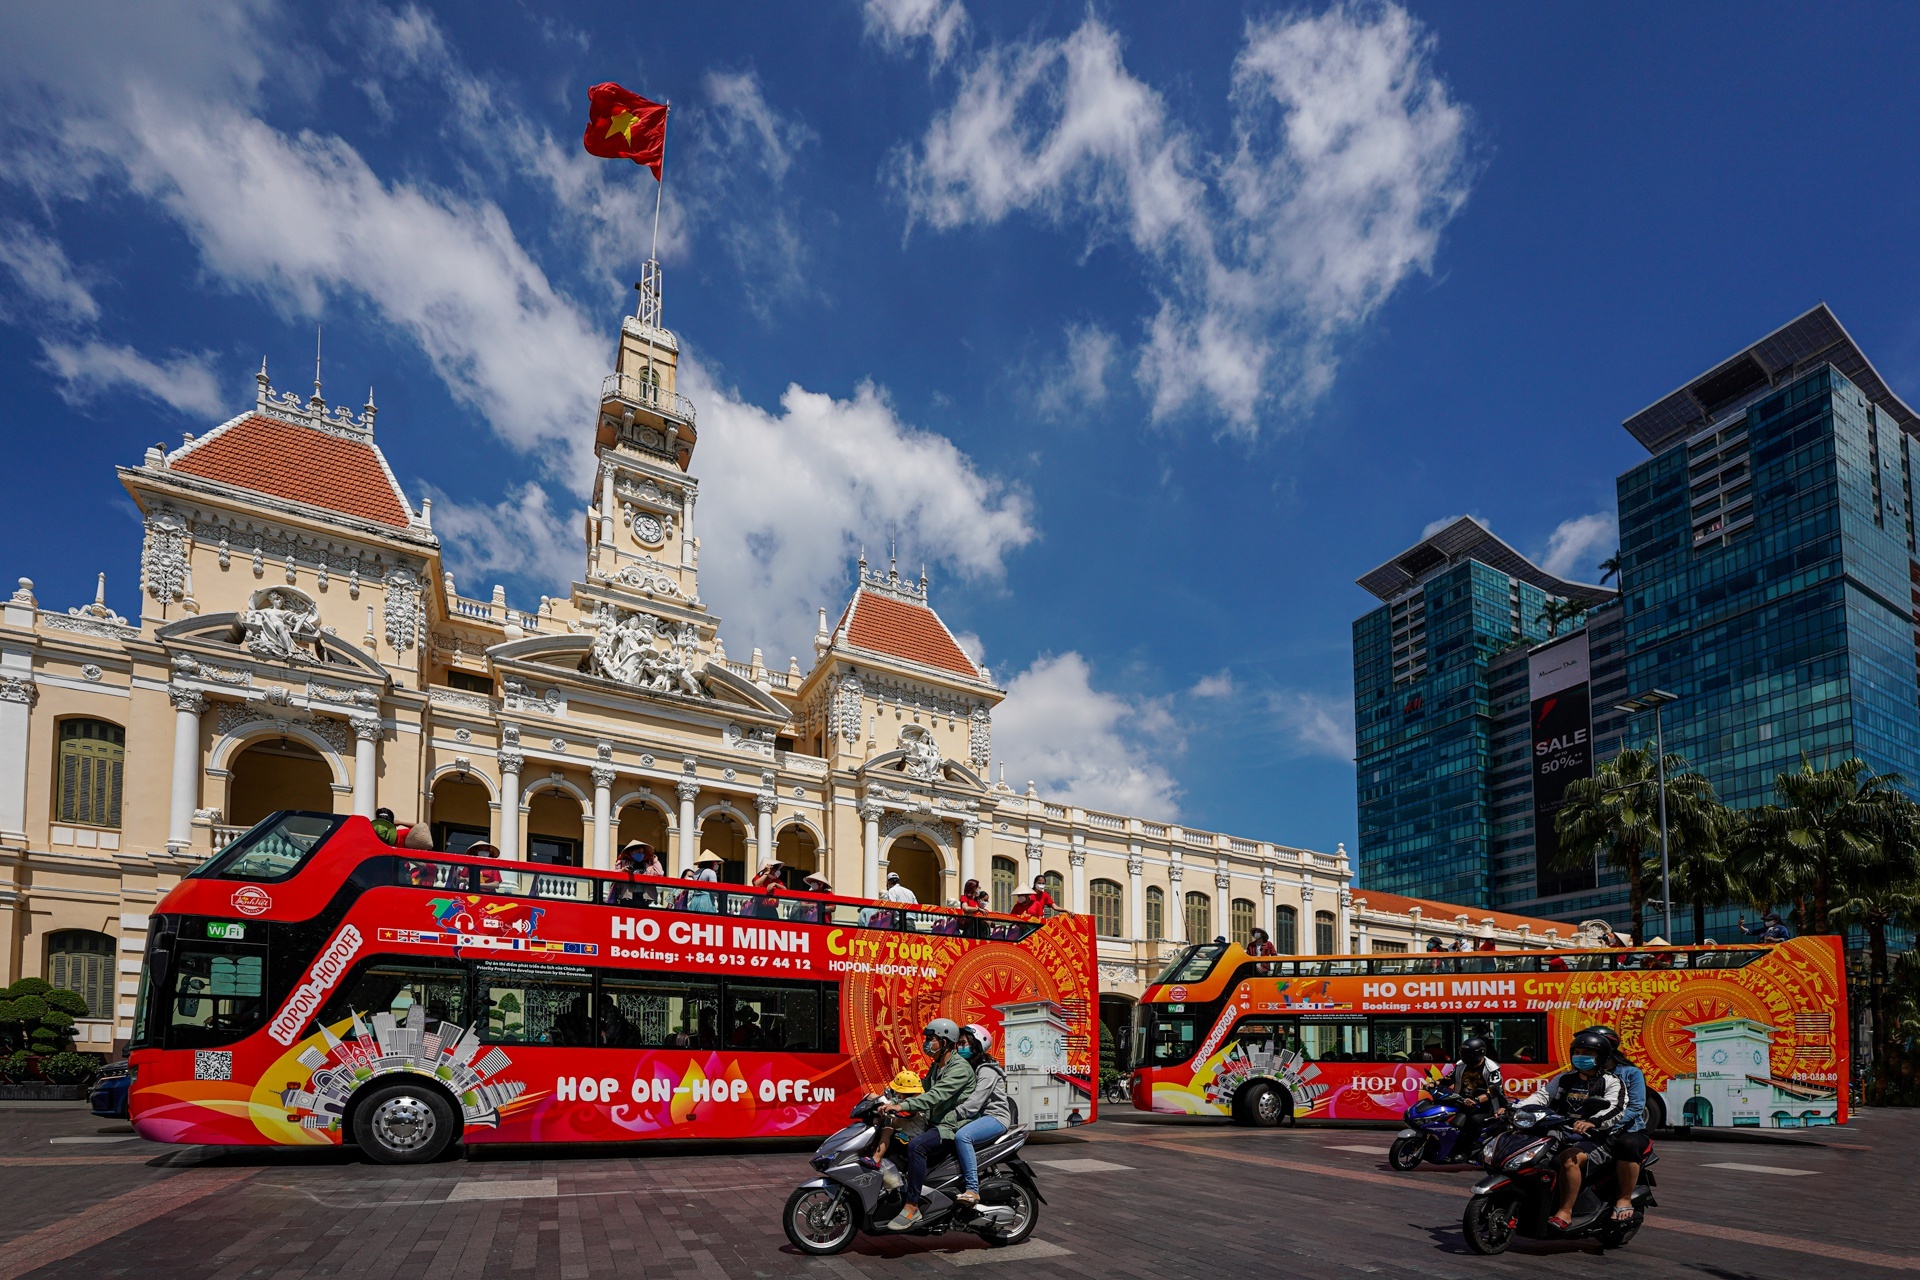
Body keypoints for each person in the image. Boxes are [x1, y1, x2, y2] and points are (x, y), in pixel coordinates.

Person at [1518, 1029, 1627, 1231]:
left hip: (1595, 1140)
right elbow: (1542, 1096)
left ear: (1601, 1056)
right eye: (1577, 1052)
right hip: (1560, 1132)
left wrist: (1593, 1122)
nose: (1581, 1057)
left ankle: (1565, 1213)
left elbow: (1616, 1108)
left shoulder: (1612, 1082)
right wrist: (1515, 1108)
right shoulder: (1565, 1078)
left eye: (1588, 1053)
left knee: (1569, 1159)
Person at [884, 1018, 976, 1231]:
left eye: (931, 1038)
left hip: (951, 1126)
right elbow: (921, 1090)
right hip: (934, 1123)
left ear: (946, 1041)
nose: (927, 1043)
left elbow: (935, 1096)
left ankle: (912, 1205)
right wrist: (890, 1101)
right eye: (927, 1038)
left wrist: (901, 1106)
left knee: (918, 1145)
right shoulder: (937, 1066)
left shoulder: (959, 1068)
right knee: (897, 1141)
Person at [1586, 1025, 1651, 1223]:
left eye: (1590, 1050)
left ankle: (1624, 1198)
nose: (1585, 1055)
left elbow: (1636, 1107)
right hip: (1590, 1127)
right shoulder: (1584, 1073)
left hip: (1626, 1129)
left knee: (1627, 1145)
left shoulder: (1631, 1073)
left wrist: (1605, 1123)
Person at [949, 1023, 1015, 1206]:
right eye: (958, 1043)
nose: (960, 1047)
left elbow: (975, 1102)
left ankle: (972, 1189)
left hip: (995, 1117)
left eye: (964, 1043)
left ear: (976, 1044)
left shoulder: (986, 1070)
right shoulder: (969, 1067)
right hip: (980, 1117)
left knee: (963, 1137)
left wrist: (953, 1114)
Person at [1439, 1035, 1504, 1154]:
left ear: (1479, 1054)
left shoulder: (1491, 1069)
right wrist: (1435, 1083)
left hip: (1485, 1107)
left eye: (1469, 1054)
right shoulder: (1461, 1065)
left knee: (1472, 1120)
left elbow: (1494, 1090)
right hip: (1463, 1102)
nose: (1465, 1057)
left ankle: (1468, 1150)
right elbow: (1449, 1078)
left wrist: (1477, 1100)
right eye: (1463, 1053)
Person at [860, 1070, 926, 1187]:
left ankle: (876, 1159)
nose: (898, 1094)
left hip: (912, 1140)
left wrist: (890, 1109)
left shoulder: (915, 1103)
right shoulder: (904, 1100)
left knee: (887, 1130)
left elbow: (905, 1111)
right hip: (904, 1134)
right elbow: (892, 1102)